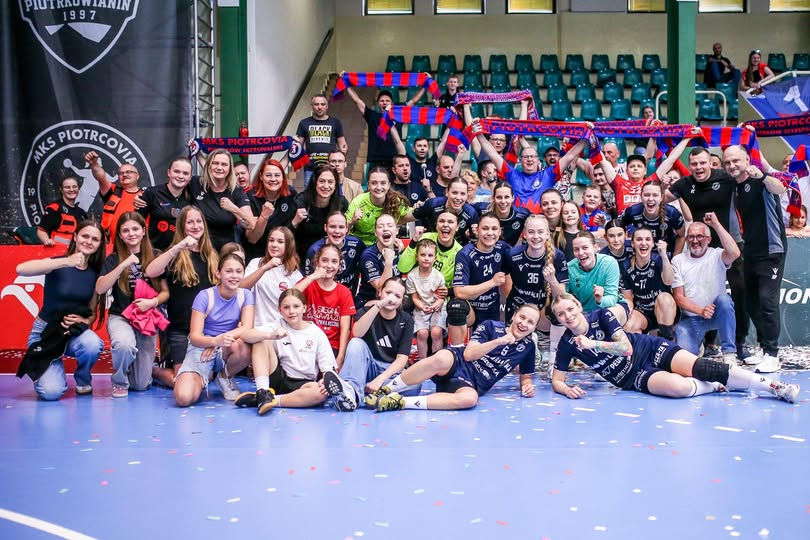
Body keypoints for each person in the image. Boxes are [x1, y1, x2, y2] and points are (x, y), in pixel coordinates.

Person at [550, 294, 798, 403]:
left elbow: (625, 348)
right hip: (631, 377)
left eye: (570, 309)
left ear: (578, 306)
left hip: (647, 349)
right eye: (561, 314)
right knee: (679, 388)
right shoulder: (567, 343)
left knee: (698, 367)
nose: (567, 316)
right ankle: (715, 386)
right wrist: (566, 389)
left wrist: (592, 343)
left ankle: (774, 387)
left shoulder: (602, 316)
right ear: (558, 320)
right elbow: (557, 380)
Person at [366, 304, 540, 412]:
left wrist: (527, 386)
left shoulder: (528, 347)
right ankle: (386, 390)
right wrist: (499, 341)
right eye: (522, 317)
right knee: (441, 357)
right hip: (458, 363)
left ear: (534, 328)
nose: (524, 324)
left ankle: (400, 402)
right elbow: (469, 355)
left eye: (530, 322)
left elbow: (525, 376)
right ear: (514, 316)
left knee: (469, 399)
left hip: (472, 383)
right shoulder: (491, 326)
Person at [666, 146, 749, 359]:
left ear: (710, 162)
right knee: (704, 292)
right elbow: (659, 197)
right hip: (698, 244)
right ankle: (708, 342)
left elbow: (745, 178)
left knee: (737, 294)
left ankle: (739, 344)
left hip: (727, 244)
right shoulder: (685, 183)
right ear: (689, 165)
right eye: (694, 164)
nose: (699, 167)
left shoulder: (725, 177)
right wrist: (664, 180)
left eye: (703, 163)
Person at [16, 220, 106, 400]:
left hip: (72, 334)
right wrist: (66, 261)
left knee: (93, 344)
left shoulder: (95, 274)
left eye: (95, 239)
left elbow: (92, 312)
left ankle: (83, 378)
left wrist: (85, 321)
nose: (89, 242)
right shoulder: (58, 263)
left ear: (100, 244)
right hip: (45, 334)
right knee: (51, 392)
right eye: (85, 236)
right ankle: (51, 366)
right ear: (75, 237)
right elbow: (21, 269)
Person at [724, 144, 787, 373]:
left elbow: (780, 188)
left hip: (772, 251)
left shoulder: (760, 180)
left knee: (767, 301)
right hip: (750, 251)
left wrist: (762, 175)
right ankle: (763, 347)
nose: (732, 165)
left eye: (736, 161)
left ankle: (772, 354)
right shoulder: (734, 187)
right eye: (727, 162)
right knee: (751, 303)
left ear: (747, 160)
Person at [95, 212, 168, 398]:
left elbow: (165, 292)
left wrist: (152, 302)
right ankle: (119, 381)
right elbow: (100, 288)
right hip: (121, 317)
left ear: (143, 231)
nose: (131, 234)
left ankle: (148, 366)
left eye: (135, 229)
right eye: (125, 231)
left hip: (146, 318)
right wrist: (122, 265)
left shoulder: (156, 255)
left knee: (140, 385)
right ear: (120, 235)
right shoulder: (113, 259)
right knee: (124, 345)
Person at [237, 288, 344, 414]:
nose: (291, 311)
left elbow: (328, 369)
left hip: (303, 383)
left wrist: (324, 381)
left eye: (296, 306)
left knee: (320, 393)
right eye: (286, 307)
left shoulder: (316, 333)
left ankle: (270, 400)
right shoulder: (277, 325)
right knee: (260, 339)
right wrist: (270, 335)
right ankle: (263, 391)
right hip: (278, 377)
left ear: (304, 308)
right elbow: (246, 335)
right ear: (280, 310)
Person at [145, 206, 219, 388]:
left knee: (204, 377)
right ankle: (152, 370)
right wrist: (178, 247)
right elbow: (150, 271)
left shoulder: (212, 255)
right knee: (179, 380)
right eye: (190, 222)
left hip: (205, 330)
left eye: (199, 221)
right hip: (179, 330)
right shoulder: (175, 254)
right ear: (181, 226)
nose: (195, 226)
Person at [173, 253, 254, 406]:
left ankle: (224, 376)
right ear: (218, 273)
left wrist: (219, 342)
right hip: (202, 348)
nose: (234, 276)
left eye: (238, 271)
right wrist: (214, 341)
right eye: (229, 271)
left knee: (246, 346)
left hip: (226, 346)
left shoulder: (246, 295)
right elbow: (195, 337)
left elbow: (247, 327)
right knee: (184, 398)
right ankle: (199, 377)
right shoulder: (204, 296)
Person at [337, 277, 418, 410]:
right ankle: (352, 394)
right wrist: (378, 305)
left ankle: (363, 389)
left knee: (415, 384)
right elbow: (357, 333)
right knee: (356, 343)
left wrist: (380, 379)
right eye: (388, 293)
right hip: (366, 366)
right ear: (380, 292)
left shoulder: (406, 319)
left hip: (388, 371)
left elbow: (402, 359)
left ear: (402, 301)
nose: (392, 298)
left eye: (397, 296)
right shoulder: (365, 311)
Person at [672, 212, 740, 365]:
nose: (695, 241)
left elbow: (735, 253)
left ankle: (729, 353)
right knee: (686, 360)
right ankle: (698, 346)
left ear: (708, 239)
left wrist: (716, 225)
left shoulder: (717, 255)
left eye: (699, 236)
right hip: (691, 318)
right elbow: (679, 297)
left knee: (725, 300)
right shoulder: (678, 260)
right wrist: (701, 311)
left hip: (717, 314)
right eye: (691, 237)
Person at [475, 126, 588, 213]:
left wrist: (586, 137)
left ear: (538, 160)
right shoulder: (511, 174)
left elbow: (570, 155)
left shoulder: (548, 174)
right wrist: (479, 134)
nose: (529, 159)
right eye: (526, 157)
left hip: (541, 225)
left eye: (532, 157)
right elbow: (492, 153)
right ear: (520, 160)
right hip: (518, 225)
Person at [294, 243, 356, 369]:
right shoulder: (307, 284)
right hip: (306, 342)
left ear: (339, 266)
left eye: (334, 261)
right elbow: (289, 296)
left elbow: (345, 330)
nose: (329, 265)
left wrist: (340, 358)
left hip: (331, 346)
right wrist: (313, 276)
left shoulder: (344, 292)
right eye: (325, 260)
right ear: (317, 262)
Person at [504, 214, 567, 326]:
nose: (536, 236)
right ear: (524, 234)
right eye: (531, 232)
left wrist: (552, 279)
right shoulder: (512, 254)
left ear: (547, 234)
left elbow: (561, 296)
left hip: (544, 312)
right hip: (517, 309)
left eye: (540, 232)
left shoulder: (557, 256)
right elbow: (503, 279)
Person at [452, 213, 512, 329]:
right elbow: (459, 292)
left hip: (492, 309)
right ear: (477, 230)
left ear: (500, 232)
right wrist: (492, 282)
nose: (490, 233)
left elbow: (508, 275)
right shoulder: (465, 254)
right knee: (457, 307)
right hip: (470, 310)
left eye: (494, 229)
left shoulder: (503, 248)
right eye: (485, 228)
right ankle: (458, 341)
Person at [189, 149, 254, 251]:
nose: (219, 167)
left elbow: (250, 224)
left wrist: (233, 208)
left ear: (230, 169)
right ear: (209, 165)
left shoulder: (235, 191)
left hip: (224, 250)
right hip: (199, 247)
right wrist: (196, 152)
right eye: (215, 163)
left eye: (224, 164)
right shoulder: (196, 183)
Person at [619, 227, 677, 340]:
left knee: (664, 298)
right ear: (632, 244)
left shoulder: (659, 259)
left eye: (647, 239)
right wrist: (627, 314)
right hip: (643, 311)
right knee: (629, 326)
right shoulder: (625, 266)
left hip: (665, 309)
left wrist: (664, 256)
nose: (643, 243)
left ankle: (666, 341)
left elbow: (669, 281)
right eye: (639, 239)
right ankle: (642, 348)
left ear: (653, 243)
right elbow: (628, 298)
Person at [241, 226, 302, 328]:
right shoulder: (256, 263)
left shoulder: (295, 274)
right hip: (256, 327)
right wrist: (264, 268)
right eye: (271, 240)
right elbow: (241, 287)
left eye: (280, 241)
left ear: (288, 245)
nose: (274, 245)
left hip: (281, 328)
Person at [291, 165, 349, 264]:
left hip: (329, 256)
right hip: (301, 256)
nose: (326, 186)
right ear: (315, 183)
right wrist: (295, 221)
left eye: (330, 182)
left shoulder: (341, 203)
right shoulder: (301, 202)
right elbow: (287, 233)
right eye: (322, 181)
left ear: (335, 185)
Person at [567, 232, 628, 325]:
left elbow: (612, 298)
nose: (580, 253)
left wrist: (599, 300)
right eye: (576, 249)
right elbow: (564, 297)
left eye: (585, 248)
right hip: (584, 311)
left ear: (595, 247)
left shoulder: (609, 263)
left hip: (613, 306)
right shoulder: (570, 268)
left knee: (606, 317)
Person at [244, 157, 298, 263]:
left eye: (277, 175)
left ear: (283, 177)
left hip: (284, 254)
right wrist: (264, 217)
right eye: (268, 175)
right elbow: (253, 238)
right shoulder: (251, 197)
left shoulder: (291, 194)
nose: (273, 179)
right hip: (257, 255)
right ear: (261, 176)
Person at [346, 166, 414, 246]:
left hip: (383, 245)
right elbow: (342, 230)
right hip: (359, 246)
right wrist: (352, 221)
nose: (378, 187)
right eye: (374, 183)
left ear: (388, 185)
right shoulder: (358, 202)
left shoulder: (395, 201)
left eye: (383, 183)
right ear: (368, 185)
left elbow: (412, 214)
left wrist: (421, 208)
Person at [136, 157, 193, 251]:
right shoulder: (152, 193)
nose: (180, 176)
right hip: (155, 252)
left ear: (190, 177)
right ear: (169, 172)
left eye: (185, 173)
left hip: (184, 253)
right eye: (176, 171)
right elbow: (136, 222)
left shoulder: (193, 196)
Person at [84, 151, 143, 241]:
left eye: (129, 172)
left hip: (138, 243)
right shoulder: (113, 191)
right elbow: (102, 178)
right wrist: (94, 164)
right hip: (112, 244)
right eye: (121, 173)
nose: (124, 175)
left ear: (137, 176)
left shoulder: (146, 195)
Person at [621, 180, 685, 258]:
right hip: (641, 254)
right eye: (647, 195)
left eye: (655, 195)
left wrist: (674, 260)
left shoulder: (672, 213)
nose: (650, 199)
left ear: (661, 197)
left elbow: (681, 236)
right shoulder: (632, 211)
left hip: (665, 254)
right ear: (641, 196)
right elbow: (617, 228)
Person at [305, 211, 365, 294]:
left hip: (349, 295)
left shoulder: (356, 244)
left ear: (346, 228)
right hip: (323, 296)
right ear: (325, 227)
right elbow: (309, 281)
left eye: (341, 227)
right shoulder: (314, 250)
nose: (337, 231)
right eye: (332, 226)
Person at [406, 239, 447, 358]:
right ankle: (423, 361)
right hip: (421, 307)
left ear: (435, 258)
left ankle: (437, 360)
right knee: (422, 333)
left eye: (430, 255)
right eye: (423, 255)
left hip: (437, 307)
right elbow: (414, 297)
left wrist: (438, 303)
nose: (426, 258)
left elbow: (442, 297)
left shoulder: (438, 276)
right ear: (416, 257)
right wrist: (422, 306)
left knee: (436, 332)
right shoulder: (411, 276)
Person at [295, 93, 348, 186]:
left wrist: (340, 160)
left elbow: (343, 145)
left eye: (322, 104)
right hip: (310, 168)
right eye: (316, 104)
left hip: (331, 168)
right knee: (309, 194)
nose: (319, 107)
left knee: (332, 192)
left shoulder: (335, 123)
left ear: (327, 106)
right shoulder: (304, 123)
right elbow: (299, 146)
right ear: (312, 106)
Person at [412, 177, 478, 245]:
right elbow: (407, 216)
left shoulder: (471, 213)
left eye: (463, 194)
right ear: (447, 192)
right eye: (454, 193)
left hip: (458, 249)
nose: (458, 198)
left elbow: (474, 240)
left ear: (467, 195)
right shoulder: (433, 204)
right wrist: (414, 209)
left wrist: (475, 235)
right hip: (430, 247)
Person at [356, 214, 403, 306]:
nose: (385, 229)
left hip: (395, 300)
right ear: (375, 232)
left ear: (396, 230)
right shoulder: (368, 255)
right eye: (380, 226)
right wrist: (388, 261)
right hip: (370, 302)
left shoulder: (400, 249)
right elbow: (381, 289)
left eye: (390, 225)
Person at [37, 176, 88, 247]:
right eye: (67, 187)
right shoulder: (55, 208)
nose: (71, 189)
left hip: (76, 251)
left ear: (78, 189)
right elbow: (41, 231)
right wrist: (46, 240)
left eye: (74, 187)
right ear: (61, 190)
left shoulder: (81, 213)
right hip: (56, 251)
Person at [485, 181, 529, 247]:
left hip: (510, 251)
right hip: (487, 250)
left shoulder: (523, 214)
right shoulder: (483, 211)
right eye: (499, 197)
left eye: (507, 197)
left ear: (512, 198)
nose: (503, 201)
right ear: (493, 198)